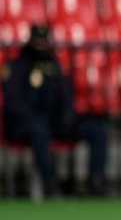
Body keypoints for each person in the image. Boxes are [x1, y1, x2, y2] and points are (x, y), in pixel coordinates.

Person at [1, 23, 109, 197]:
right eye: (38, 42)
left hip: (53, 122)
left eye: (44, 41)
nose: (41, 46)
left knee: (97, 130)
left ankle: (96, 184)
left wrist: (67, 115)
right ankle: (50, 184)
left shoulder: (54, 65)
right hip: (25, 125)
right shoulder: (16, 66)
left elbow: (65, 95)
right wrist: (33, 118)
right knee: (38, 131)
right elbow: (14, 102)